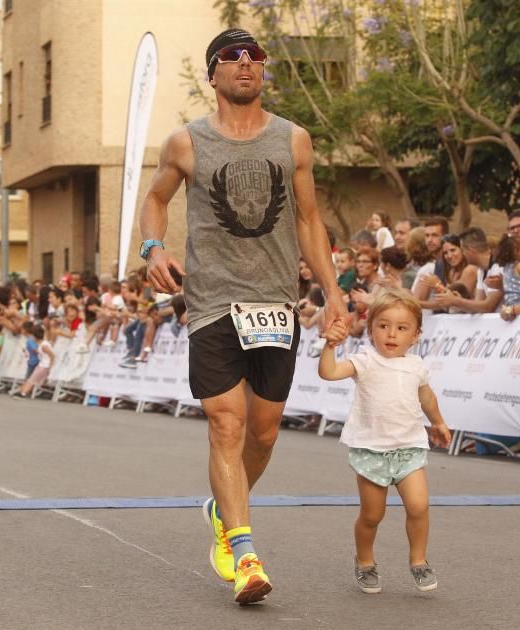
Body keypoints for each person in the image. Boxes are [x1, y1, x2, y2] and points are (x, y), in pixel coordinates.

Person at [136, 27, 347, 605]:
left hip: (276, 302)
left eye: (254, 55)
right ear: (214, 74)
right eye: (232, 57)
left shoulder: (293, 140)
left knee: (264, 432)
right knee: (226, 424)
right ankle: (245, 553)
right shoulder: (186, 143)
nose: (246, 64)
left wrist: (333, 292)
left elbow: (308, 220)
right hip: (211, 301)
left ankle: (221, 511)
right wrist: (152, 249)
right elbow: (155, 200)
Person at [317, 289, 451, 594]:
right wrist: (330, 346)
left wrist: (439, 422)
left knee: (419, 506)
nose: (391, 334)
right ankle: (365, 561)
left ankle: (418, 560)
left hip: (409, 448)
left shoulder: (416, 366)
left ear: (416, 335)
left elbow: (427, 397)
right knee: (372, 515)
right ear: (370, 329)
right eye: (383, 326)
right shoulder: (365, 361)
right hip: (371, 449)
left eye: (402, 328)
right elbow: (330, 372)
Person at [15, 326, 53, 399]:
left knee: (32, 379)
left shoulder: (44, 345)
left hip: (45, 365)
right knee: (31, 378)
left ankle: (23, 393)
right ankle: (21, 391)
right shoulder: (42, 344)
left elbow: (52, 355)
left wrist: (50, 366)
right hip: (42, 364)